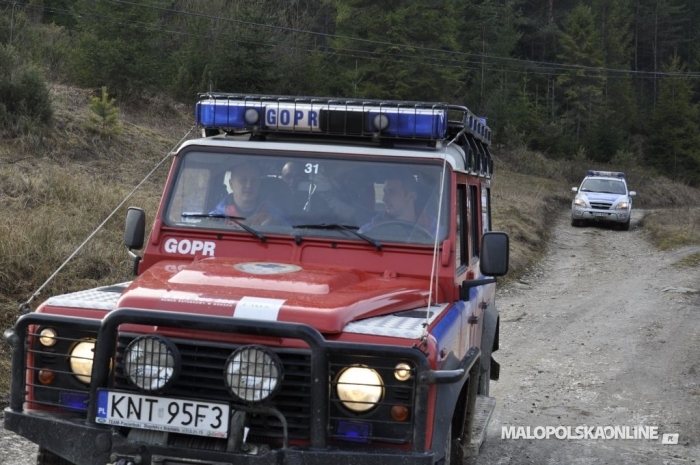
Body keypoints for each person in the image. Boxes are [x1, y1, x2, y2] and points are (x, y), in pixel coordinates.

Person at [359, 172, 437, 237]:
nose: (384, 199)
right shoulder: (373, 225)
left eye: (391, 192)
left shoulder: (433, 229)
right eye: (385, 192)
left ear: (411, 197)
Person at [209, 161, 287, 225]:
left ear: (259, 184)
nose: (249, 185)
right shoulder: (215, 218)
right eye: (242, 180)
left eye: (254, 181)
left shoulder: (275, 216)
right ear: (231, 184)